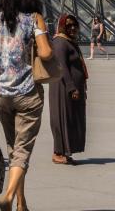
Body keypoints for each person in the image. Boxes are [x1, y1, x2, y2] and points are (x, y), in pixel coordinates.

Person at [0, 0, 53, 211]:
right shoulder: (34, 19)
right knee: (22, 150)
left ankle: (21, 203)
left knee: (14, 149)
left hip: (1, 94)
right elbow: (45, 54)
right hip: (27, 94)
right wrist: (43, 36)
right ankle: (9, 195)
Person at [50, 14, 86, 165]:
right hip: (63, 88)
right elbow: (62, 67)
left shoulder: (69, 41)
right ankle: (58, 152)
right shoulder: (60, 42)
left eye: (74, 25)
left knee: (71, 120)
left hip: (70, 87)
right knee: (62, 118)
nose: (72, 28)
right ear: (62, 26)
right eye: (68, 25)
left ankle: (66, 151)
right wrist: (72, 88)